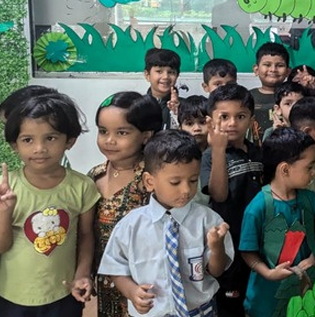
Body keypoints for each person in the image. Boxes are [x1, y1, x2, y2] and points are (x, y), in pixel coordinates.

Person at [98, 130, 235, 317]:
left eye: (193, 180)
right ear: (149, 182)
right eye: (175, 182)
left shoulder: (208, 221)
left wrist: (217, 247)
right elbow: (115, 267)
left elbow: (216, 271)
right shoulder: (130, 226)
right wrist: (131, 291)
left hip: (200, 312)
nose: (186, 190)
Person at [0, 94, 100, 315]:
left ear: (69, 141)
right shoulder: (4, 188)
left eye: (50, 138)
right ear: (14, 145)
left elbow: (86, 235)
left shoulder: (82, 186)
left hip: (63, 294)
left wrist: (82, 274)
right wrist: (3, 211)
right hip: (11, 296)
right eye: (28, 140)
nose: (39, 148)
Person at [239, 128, 315, 317]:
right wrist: (268, 273)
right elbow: (248, 252)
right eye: (309, 167)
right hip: (266, 299)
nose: (314, 173)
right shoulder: (257, 208)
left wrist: (313, 258)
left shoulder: (311, 200)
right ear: (285, 169)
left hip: (305, 294)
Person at [90, 92, 163, 317]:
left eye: (121, 133)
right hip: (105, 280)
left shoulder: (152, 180)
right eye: (103, 131)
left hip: (144, 284)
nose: (109, 140)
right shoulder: (94, 175)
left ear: (146, 135)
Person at [201, 83, 263, 317]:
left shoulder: (258, 152)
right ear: (211, 121)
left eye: (240, 116)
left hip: (256, 239)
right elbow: (219, 195)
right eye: (224, 117)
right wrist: (218, 150)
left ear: (251, 120)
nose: (232, 123)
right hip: (229, 242)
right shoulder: (210, 156)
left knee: (254, 296)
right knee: (230, 303)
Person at [249, 42, 290, 141]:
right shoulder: (247, 96)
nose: (273, 69)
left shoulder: (291, 97)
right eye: (267, 65)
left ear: (288, 71)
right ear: (256, 69)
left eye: (279, 65)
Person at [143, 48, 182, 129]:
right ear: (147, 75)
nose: (165, 77)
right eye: (159, 71)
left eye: (171, 72)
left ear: (177, 76)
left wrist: (176, 113)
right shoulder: (139, 106)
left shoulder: (185, 106)